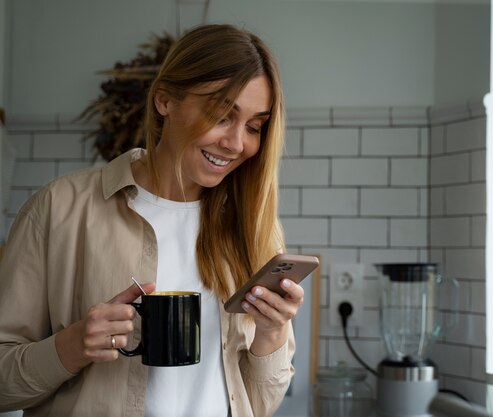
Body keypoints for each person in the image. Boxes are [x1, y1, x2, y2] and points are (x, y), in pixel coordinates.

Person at [0, 24, 301, 417]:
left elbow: (258, 404)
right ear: (165, 101)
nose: (237, 143)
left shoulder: (255, 232)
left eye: (254, 126)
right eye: (222, 115)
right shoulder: (58, 210)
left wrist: (272, 333)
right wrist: (71, 346)